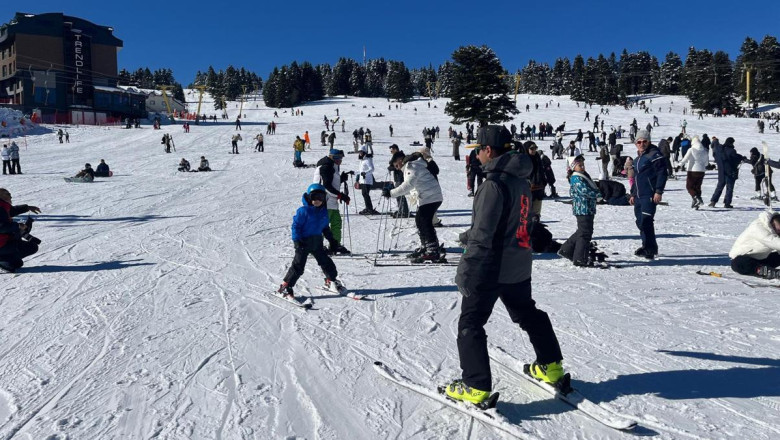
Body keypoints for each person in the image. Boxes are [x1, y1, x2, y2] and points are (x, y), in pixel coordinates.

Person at [444, 125, 565, 405]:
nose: (477, 157)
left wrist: (465, 269)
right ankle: (551, 365)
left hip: (490, 265)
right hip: (518, 263)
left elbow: (484, 235)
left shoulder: (492, 185)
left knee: (470, 323)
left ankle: (474, 386)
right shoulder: (521, 181)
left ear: (488, 150)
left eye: (478, 150)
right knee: (527, 312)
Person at [277, 184, 347, 300]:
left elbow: (325, 228)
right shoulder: (303, 211)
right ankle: (285, 286)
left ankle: (331, 280)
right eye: (315, 197)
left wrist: (332, 241)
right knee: (298, 266)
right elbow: (296, 227)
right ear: (309, 197)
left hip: (317, 243)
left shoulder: (324, 211)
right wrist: (297, 241)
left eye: (321, 197)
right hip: (303, 243)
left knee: (326, 262)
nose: (318, 201)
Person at [382, 148, 444, 263]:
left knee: (424, 222)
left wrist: (391, 193)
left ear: (400, 160)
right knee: (420, 221)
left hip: (431, 197)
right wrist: (393, 192)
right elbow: (410, 189)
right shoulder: (411, 166)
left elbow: (408, 186)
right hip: (429, 197)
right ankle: (426, 246)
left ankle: (432, 250)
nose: (397, 168)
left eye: (396, 165)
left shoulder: (411, 166)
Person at [629, 129, 667, 259]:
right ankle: (648, 245)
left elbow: (662, 174)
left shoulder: (654, 155)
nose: (641, 144)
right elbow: (637, 178)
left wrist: (658, 191)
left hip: (649, 195)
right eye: (639, 142)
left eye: (644, 141)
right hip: (639, 196)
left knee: (646, 221)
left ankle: (649, 249)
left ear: (649, 141)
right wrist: (633, 194)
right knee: (640, 221)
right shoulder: (637, 159)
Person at [558, 155, 600, 266]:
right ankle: (580, 258)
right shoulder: (576, 177)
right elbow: (584, 190)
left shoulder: (582, 175)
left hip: (588, 207)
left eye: (583, 165)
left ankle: (566, 250)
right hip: (582, 208)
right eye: (579, 165)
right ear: (573, 167)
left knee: (583, 231)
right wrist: (597, 194)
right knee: (585, 233)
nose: (582, 167)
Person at [314, 149, 351, 255]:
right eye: (339, 158)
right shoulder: (326, 167)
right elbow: (327, 186)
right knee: (322, 225)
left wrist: (342, 179)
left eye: (341, 158)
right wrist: (341, 195)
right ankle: (317, 246)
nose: (340, 160)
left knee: (336, 222)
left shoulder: (332, 166)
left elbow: (332, 182)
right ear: (333, 157)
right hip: (324, 201)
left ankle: (335, 245)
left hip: (331, 201)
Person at [0, 188, 41, 272]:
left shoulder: (3, 206)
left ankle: (3, 260)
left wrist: (27, 207)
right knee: (31, 247)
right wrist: (18, 226)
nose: (11, 196)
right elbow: (2, 227)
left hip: (3, 241)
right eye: (8, 194)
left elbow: (12, 210)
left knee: (16, 263)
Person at [730, 211, 780, 279]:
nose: (778, 231)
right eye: (777, 229)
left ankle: (766, 269)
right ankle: (767, 272)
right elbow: (773, 241)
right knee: (738, 264)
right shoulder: (758, 227)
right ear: (772, 223)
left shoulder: (774, 230)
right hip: (743, 258)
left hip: (762, 259)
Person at [708, 137, 746, 209]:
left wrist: (715, 140)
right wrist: (742, 157)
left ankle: (713, 202)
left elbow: (715, 147)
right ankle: (727, 203)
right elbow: (735, 159)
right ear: (731, 143)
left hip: (721, 172)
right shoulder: (732, 151)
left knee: (719, 187)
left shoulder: (719, 149)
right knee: (729, 188)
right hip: (730, 172)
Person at [678, 136, 709, 209]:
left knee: (689, 186)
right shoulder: (704, 150)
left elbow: (685, 159)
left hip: (692, 171)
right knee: (697, 187)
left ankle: (696, 198)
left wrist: (679, 166)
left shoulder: (691, 150)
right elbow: (706, 163)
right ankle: (697, 202)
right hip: (701, 171)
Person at [356, 147, 381, 215]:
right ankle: (368, 208)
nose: (360, 153)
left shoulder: (367, 159)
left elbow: (372, 169)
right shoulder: (362, 160)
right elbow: (361, 171)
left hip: (367, 180)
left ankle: (369, 209)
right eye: (359, 152)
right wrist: (354, 173)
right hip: (363, 180)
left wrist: (365, 173)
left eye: (361, 152)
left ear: (364, 152)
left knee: (365, 194)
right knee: (364, 194)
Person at [387, 145, 410, 218]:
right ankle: (401, 210)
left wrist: (393, 167)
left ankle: (404, 211)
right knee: (398, 195)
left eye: (392, 149)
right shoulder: (396, 156)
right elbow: (391, 165)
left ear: (395, 149)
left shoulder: (399, 155)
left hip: (400, 177)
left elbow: (394, 165)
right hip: (397, 177)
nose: (391, 151)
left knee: (400, 194)